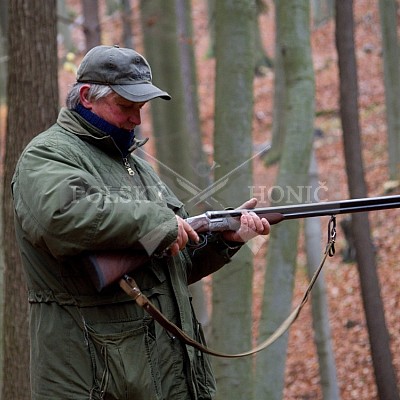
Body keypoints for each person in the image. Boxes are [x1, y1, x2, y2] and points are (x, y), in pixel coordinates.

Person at [12, 45, 270, 400]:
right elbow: (60, 217)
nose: (136, 119)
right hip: (99, 377)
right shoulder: (48, 154)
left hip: (162, 376)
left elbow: (167, 270)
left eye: (141, 108)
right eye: (126, 107)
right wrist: (158, 220)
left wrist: (227, 240)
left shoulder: (135, 166)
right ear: (87, 96)